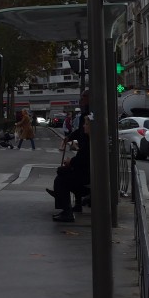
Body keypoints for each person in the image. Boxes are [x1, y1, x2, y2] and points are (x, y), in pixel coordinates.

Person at [49, 90, 92, 222]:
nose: (81, 100)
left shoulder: (90, 116)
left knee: (61, 176)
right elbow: (80, 133)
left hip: (87, 173)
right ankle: (71, 203)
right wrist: (70, 137)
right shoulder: (86, 114)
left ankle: (66, 210)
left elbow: (84, 156)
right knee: (64, 172)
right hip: (86, 168)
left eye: (83, 97)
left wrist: (71, 162)